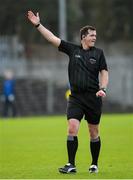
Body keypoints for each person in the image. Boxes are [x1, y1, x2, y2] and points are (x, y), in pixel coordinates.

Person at [27, 11, 109, 174]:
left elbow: (104, 72)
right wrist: (38, 25)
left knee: (94, 133)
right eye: (91, 35)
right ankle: (71, 164)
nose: (94, 38)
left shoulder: (99, 53)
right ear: (83, 37)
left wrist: (103, 88)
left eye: (95, 36)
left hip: (93, 98)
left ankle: (94, 164)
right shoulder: (73, 49)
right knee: (72, 128)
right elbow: (52, 38)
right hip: (76, 98)